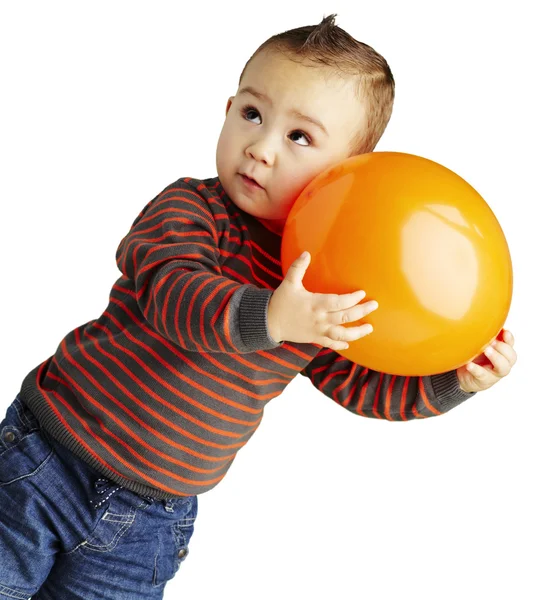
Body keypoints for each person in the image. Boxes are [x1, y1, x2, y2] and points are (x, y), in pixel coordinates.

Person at [0, 13, 516, 600]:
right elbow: (173, 293)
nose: (261, 148)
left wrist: (456, 382)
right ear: (227, 109)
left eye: (300, 137)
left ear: (353, 169)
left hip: (150, 521)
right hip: (48, 460)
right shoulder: (193, 208)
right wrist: (270, 317)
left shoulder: (327, 279)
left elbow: (359, 382)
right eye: (252, 114)